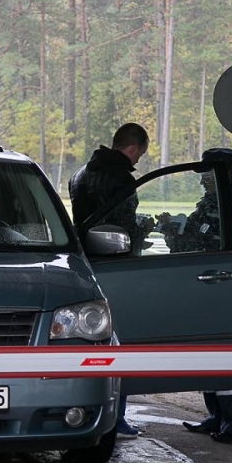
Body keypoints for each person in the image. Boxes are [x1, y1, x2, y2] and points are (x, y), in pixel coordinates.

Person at [68, 122, 154, 438]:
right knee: (124, 340)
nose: (138, 161)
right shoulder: (120, 179)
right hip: (119, 266)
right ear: (132, 149)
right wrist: (145, 231)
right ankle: (116, 416)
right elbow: (123, 228)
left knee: (97, 342)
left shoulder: (79, 175)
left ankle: (92, 409)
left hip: (88, 266)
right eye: (140, 155)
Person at [180, 148, 232, 444]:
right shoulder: (212, 204)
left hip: (226, 292)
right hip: (207, 289)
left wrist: (189, 236)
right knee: (209, 353)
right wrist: (170, 229)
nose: (202, 181)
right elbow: (192, 238)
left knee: (227, 354)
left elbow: (219, 249)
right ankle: (217, 416)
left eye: (207, 176)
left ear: (222, 173)